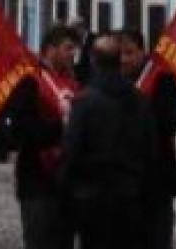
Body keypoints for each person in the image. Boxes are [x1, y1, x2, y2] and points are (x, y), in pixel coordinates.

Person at [59, 34, 156, 249]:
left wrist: (64, 189)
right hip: (128, 195)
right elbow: (150, 149)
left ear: (93, 60)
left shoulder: (85, 101)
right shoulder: (139, 100)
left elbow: (71, 150)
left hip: (92, 197)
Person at [6, 24, 80, 249]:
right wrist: (60, 127)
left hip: (67, 180)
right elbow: (20, 129)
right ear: (50, 49)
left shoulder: (73, 82)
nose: (73, 54)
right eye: (68, 48)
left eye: (74, 49)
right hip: (37, 179)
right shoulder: (30, 81)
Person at [119, 29, 176, 249]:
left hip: (156, 179)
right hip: (126, 182)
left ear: (142, 51)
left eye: (129, 53)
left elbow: (170, 122)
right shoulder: (117, 81)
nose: (124, 59)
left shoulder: (162, 78)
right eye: (120, 54)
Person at [68, 16, 94, 85]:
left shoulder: (93, 40)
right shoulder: (74, 42)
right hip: (77, 82)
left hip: (89, 82)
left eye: (73, 30)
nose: (71, 34)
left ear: (80, 27)